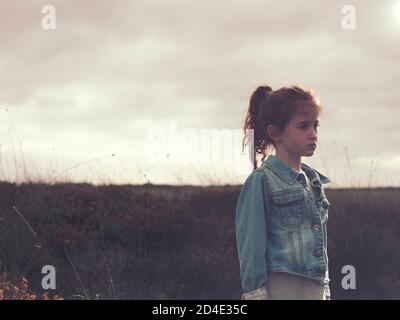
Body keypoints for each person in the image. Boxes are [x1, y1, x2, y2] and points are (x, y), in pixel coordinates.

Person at [235, 84, 332, 300]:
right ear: (275, 132)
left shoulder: (314, 182)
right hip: (281, 292)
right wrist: (255, 295)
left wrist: (325, 292)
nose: (313, 134)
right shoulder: (261, 181)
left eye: (315, 125)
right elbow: (251, 248)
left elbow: (319, 247)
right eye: (303, 126)